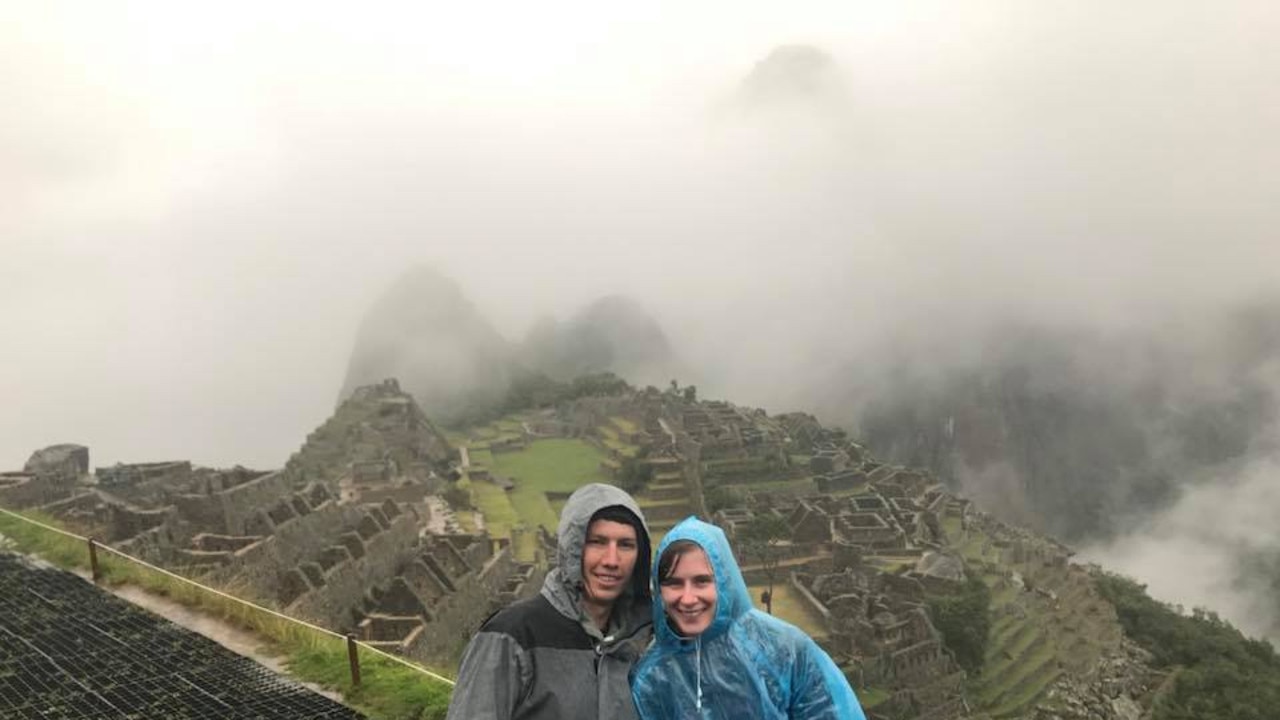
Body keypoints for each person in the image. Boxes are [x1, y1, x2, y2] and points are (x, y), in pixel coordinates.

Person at [446, 483, 652, 719]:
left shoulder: (642, 642)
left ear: (641, 555)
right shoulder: (511, 637)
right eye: (598, 541)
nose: (612, 560)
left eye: (626, 545)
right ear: (573, 548)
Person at [631, 516, 867, 720]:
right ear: (659, 590)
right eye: (674, 583)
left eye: (702, 581)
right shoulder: (652, 677)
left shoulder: (784, 648)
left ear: (724, 581)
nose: (688, 598)